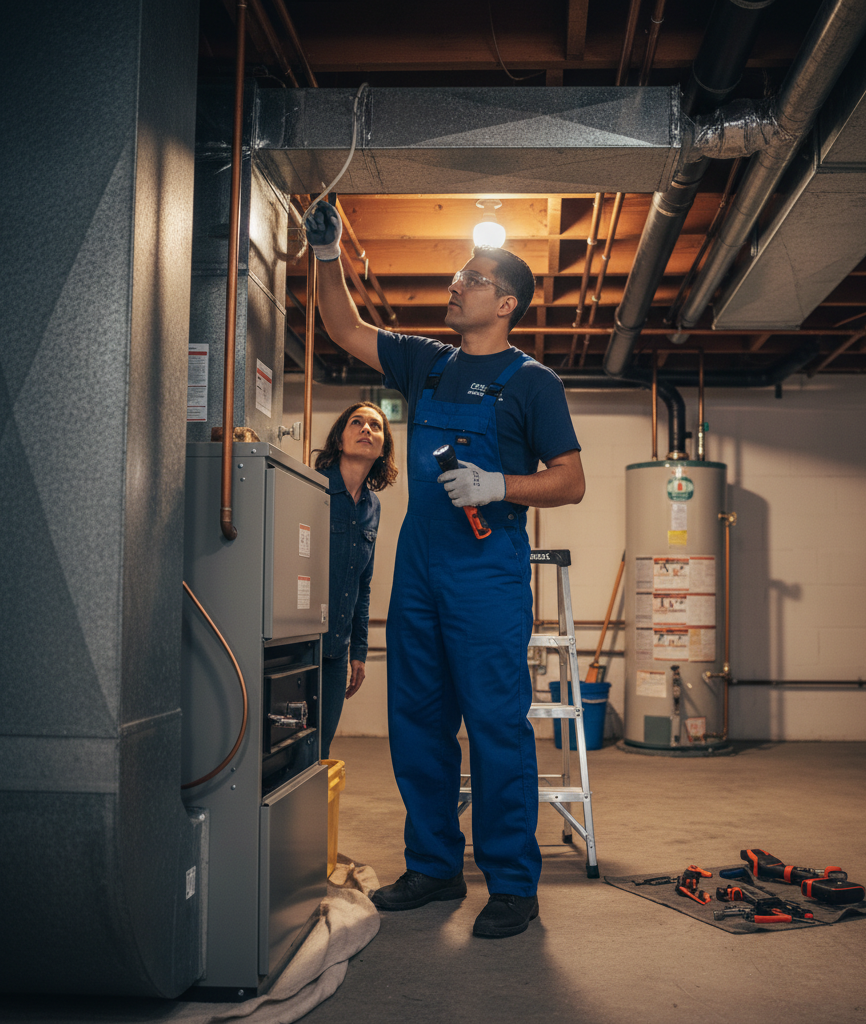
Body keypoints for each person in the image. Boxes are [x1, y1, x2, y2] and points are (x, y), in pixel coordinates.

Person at [306, 201, 585, 939]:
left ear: (506, 303)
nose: (457, 284)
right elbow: (342, 327)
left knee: (496, 727)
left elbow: (570, 480)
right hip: (420, 572)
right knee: (418, 725)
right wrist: (328, 253)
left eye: (473, 278)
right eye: (459, 274)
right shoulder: (426, 359)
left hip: (487, 573)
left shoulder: (534, 383)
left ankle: (512, 884)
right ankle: (432, 866)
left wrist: (501, 486)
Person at [313, 401, 397, 759]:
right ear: (339, 438)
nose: (366, 429)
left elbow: (363, 585)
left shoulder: (371, 507)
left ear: (382, 449)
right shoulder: (311, 487)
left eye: (375, 426)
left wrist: (358, 652)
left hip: (336, 649)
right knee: (287, 749)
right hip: (301, 644)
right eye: (357, 422)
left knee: (320, 750)